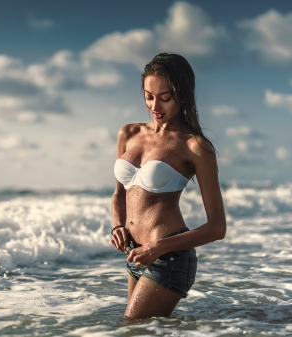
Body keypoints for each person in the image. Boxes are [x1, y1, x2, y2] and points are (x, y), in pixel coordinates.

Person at [110, 53, 226, 320]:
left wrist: (158, 248)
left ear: (182, 94)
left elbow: (217, 227)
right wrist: (118, 225)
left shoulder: (195, 146)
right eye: (149, 96)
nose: (155, 105)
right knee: (147, 331)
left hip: (169, 258)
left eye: (165, 97)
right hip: (136, 255)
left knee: (131, 327)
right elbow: (119, 193)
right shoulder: (128, 134)